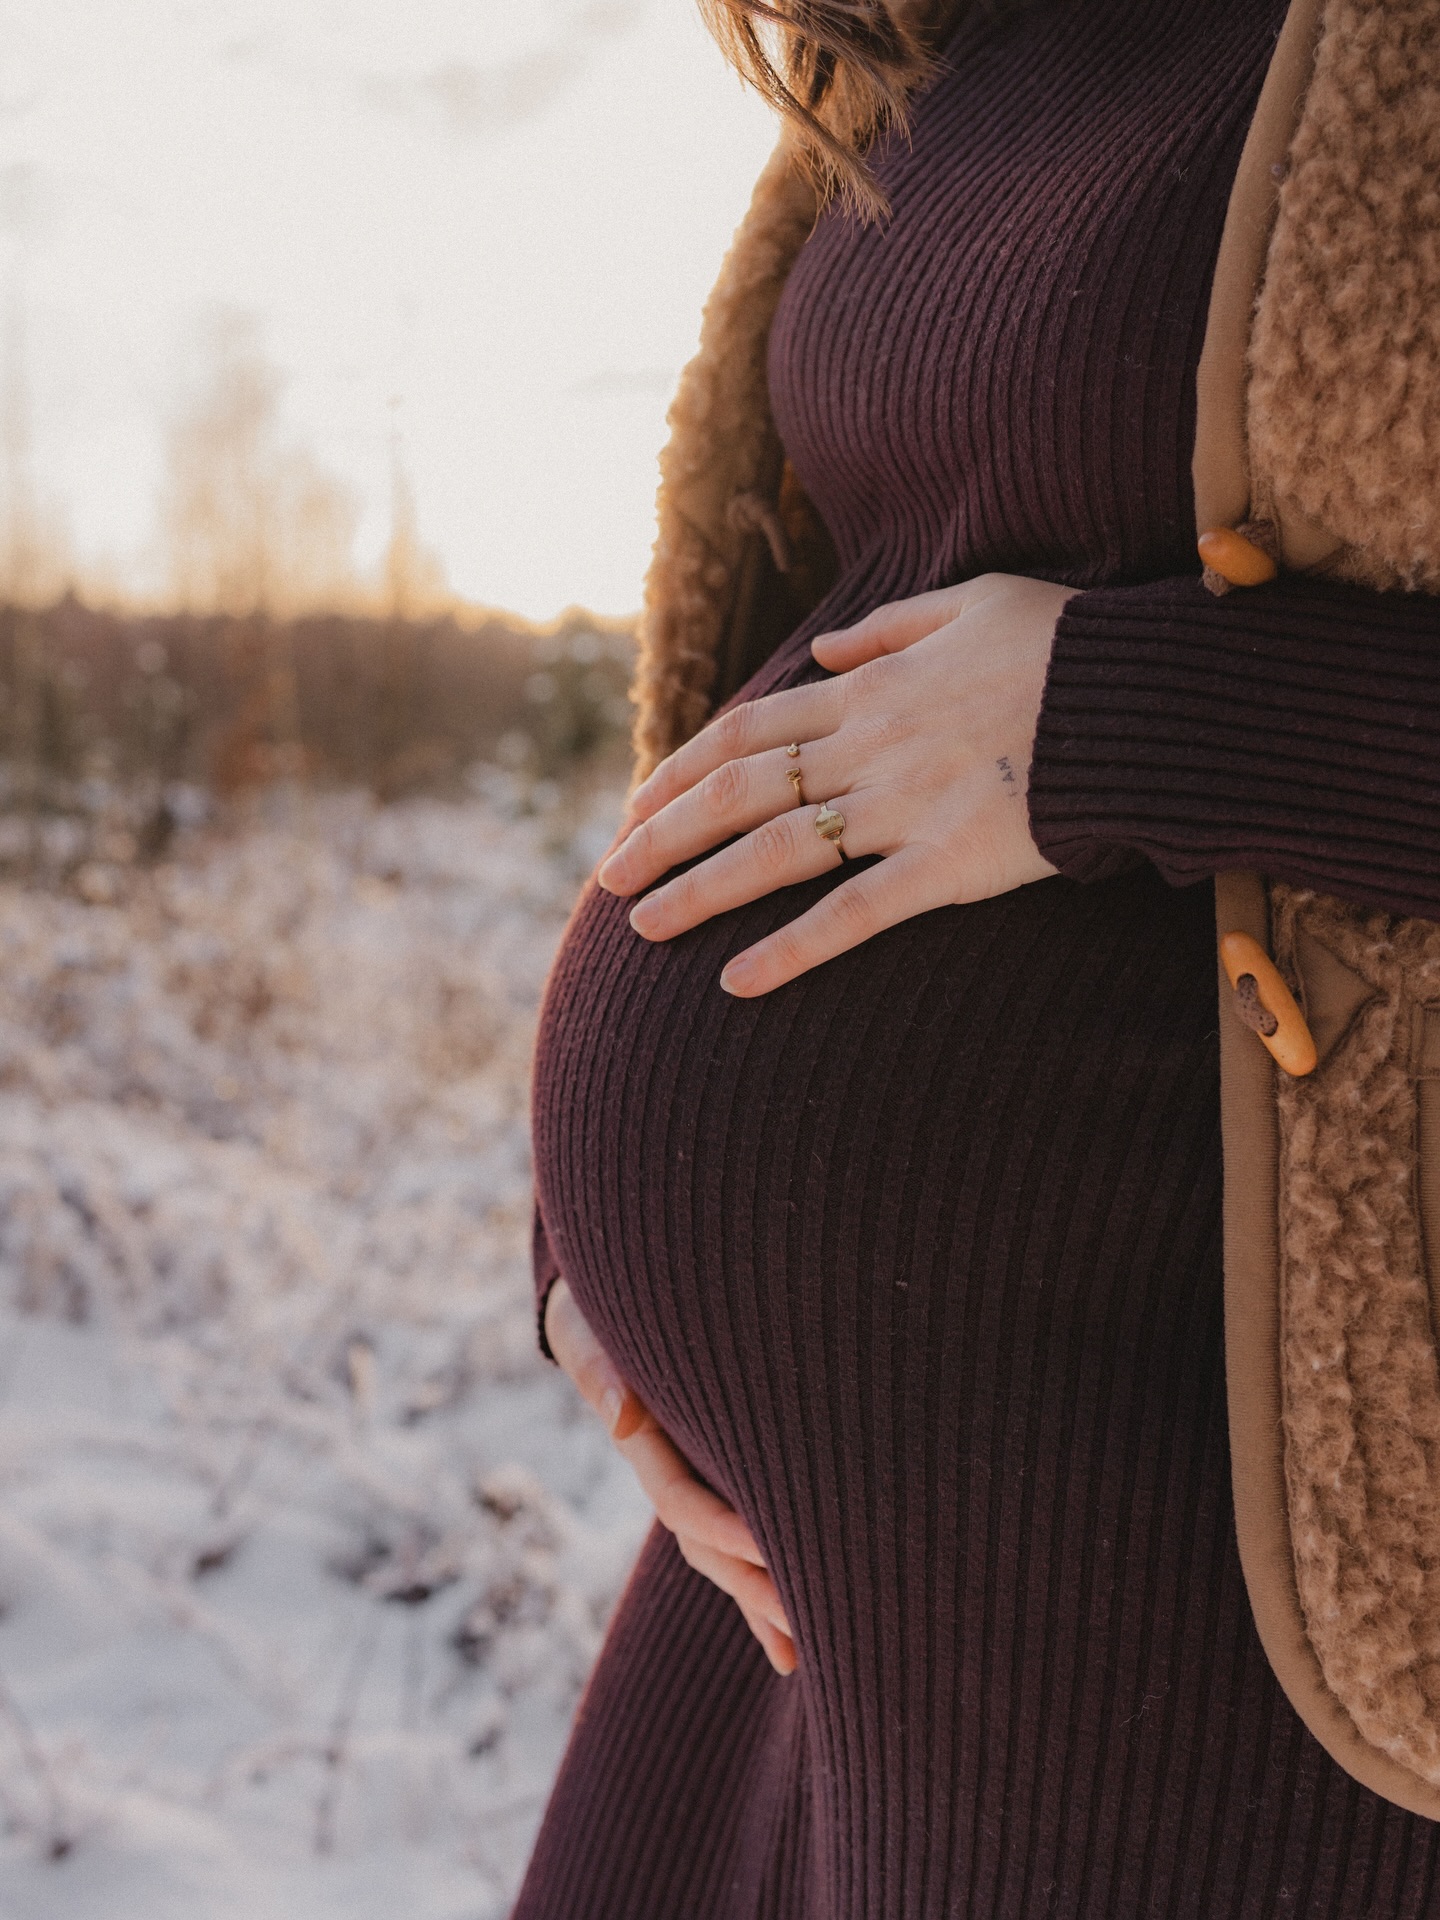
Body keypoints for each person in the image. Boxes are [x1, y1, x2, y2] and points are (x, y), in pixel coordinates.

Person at [515, 0, 1440, 1912]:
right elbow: (810, 630)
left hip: (1212, 1575)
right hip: (786, 1566)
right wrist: (595, 1265)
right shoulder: (941, 33)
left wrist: (1120, 717)